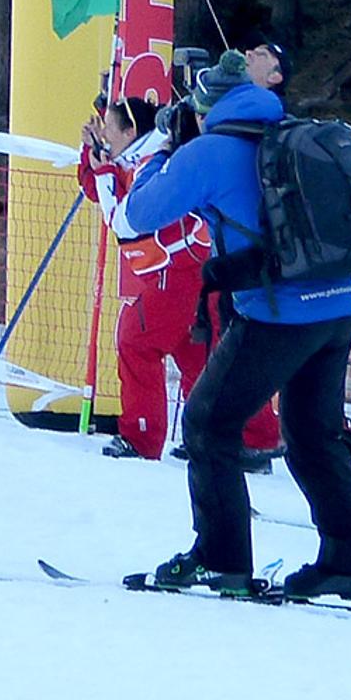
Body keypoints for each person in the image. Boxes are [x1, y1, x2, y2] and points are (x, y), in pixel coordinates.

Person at [98, 77, 351, 603]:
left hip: (276, 311)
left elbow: (137, 216)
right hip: (338, 304)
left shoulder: (208, 150)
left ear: (205, 110)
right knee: (312, 435)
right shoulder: (292, 135)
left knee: (208, 422)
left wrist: (162, 150)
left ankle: (221, 557)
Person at [84, 92, 285, 464]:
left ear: (130, 131)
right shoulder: (140, 158)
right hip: (192, 270)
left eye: (109, 128)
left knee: (137, 342)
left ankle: (142, 437)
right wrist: (93, 160)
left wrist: (102, 172)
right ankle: (251, 436)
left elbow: (124, 222)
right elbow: (98, 191)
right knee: (204, 357)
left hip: (175, 272)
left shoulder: (149, 162)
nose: (104, 136)